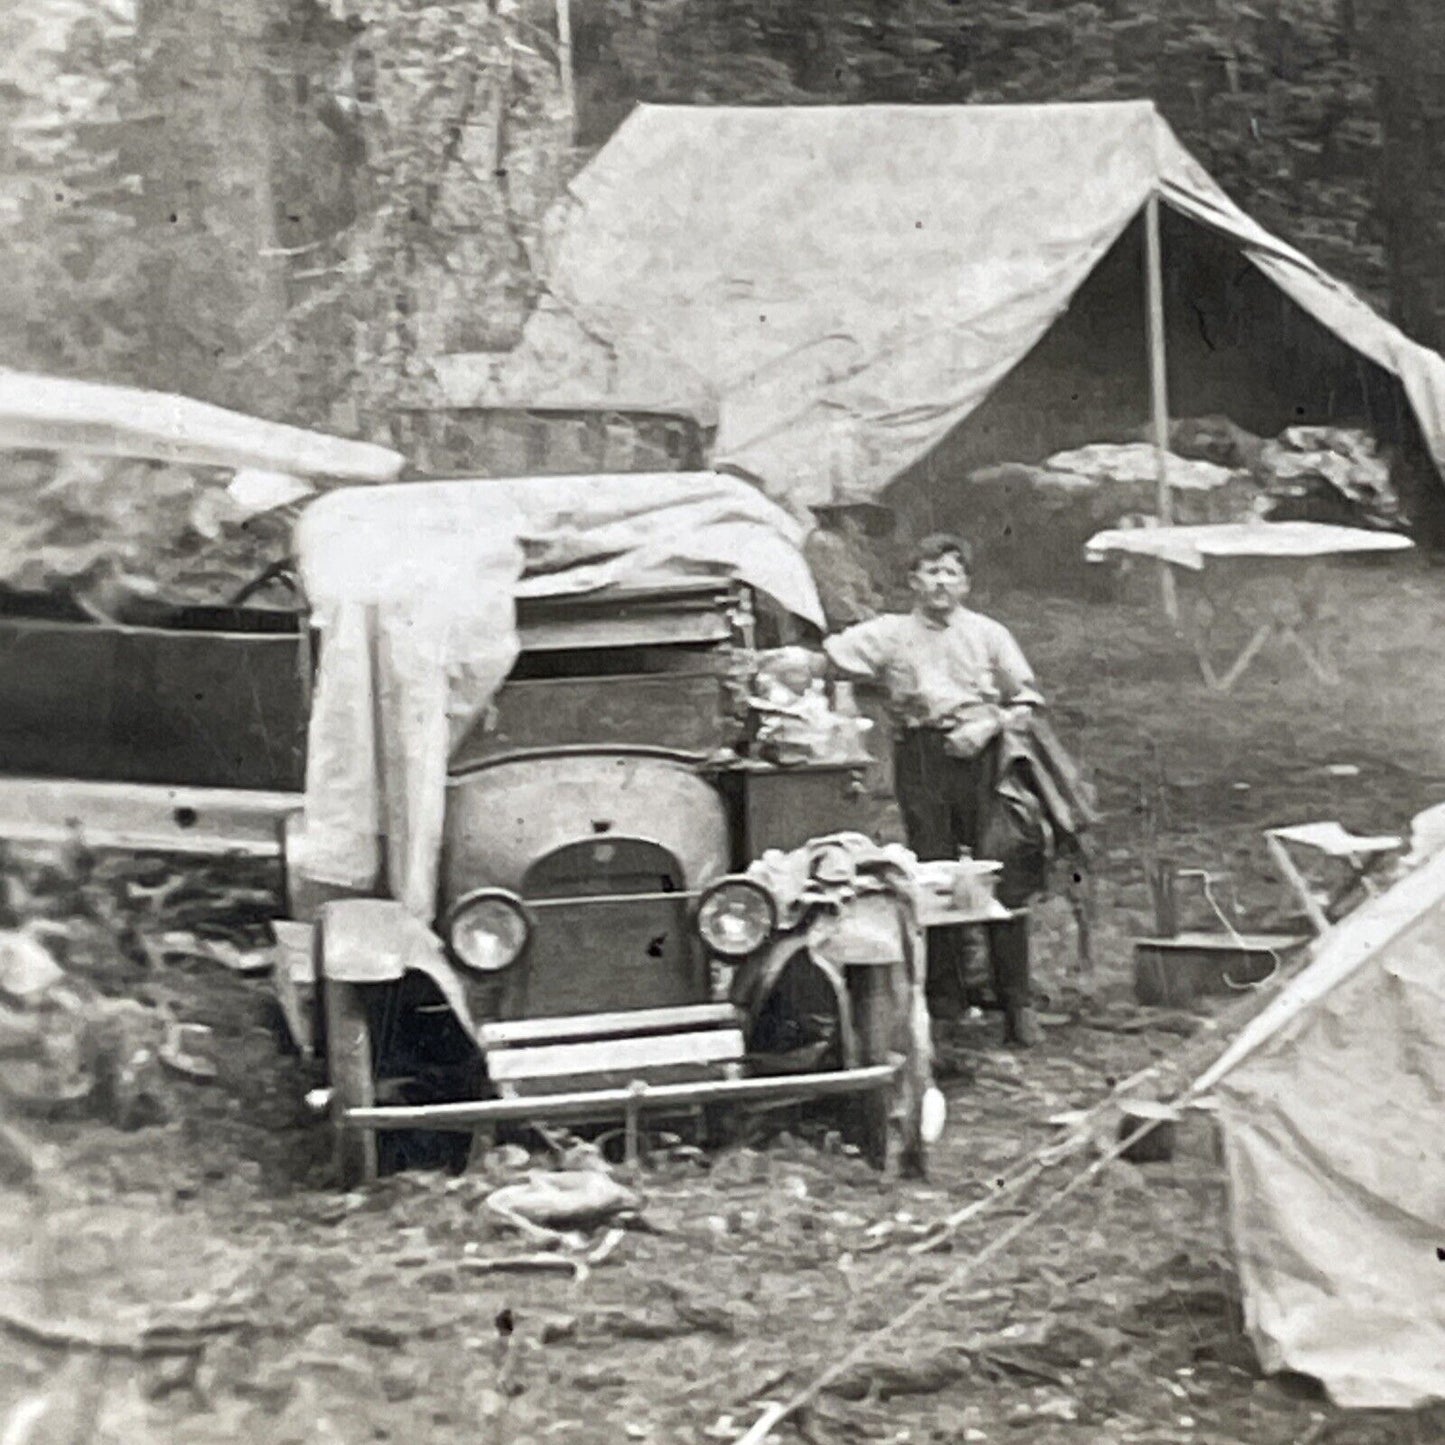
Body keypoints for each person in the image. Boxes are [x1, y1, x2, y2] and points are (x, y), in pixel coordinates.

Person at [770, 532, 1046, 1046]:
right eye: (931, 572)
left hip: (986, 758)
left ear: (965, 583)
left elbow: (1027, 700)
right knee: (934, 875)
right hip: (923, 759)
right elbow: (825, 661)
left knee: (999, 872)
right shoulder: (890, 634)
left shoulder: (989, 634)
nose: (941, 582)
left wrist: (990, 726)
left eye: (951, 572)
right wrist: (784, 664)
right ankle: (945, 1003)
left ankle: (1017, 1003)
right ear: (913, 582)